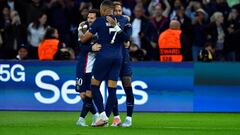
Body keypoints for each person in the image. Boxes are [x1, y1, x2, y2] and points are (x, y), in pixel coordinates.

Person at [80, 0, 131, 126]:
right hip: (118, 58)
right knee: (112, 89)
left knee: (94, 86)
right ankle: (108, 117)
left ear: (103, 10)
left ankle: (102, 115)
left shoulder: (99, 21)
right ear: (113, 10)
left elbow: (84, 39)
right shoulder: (123, 20)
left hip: (103, 57)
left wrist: (81, 32)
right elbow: (127, 38)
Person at [75, 9, 101, 127]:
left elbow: (101, 47)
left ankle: (81, 119)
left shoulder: (101, 30)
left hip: (94, 67)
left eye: (92, 18)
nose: (89, 20)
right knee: (82, 95)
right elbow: (81, 46)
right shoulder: (82, 27)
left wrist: (93, 47)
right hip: (82, 65)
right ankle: (96, 115)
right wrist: (91, 48)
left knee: (90, 94)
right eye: (88, 17)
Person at [110, 1, 134, 127]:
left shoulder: (127, 22)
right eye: (116, 11)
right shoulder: (105, 23)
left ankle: (129, 118)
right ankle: (117, 117)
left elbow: (127, 37)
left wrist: (123, 37)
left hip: (124, 58)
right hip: (112, 60)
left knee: (127, 86)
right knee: (112, 90)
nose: (118, 13)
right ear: (111, 12)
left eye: (120, 11)